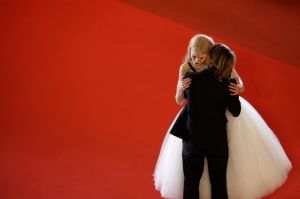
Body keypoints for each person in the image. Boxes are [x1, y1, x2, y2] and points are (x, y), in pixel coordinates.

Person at [153, 36, 292, 199]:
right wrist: (182, 90)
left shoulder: (219, 65)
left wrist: (240, 87)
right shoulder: (185, 68)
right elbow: (179, 100)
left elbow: (237, 80)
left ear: (211, 55)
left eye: (201, 57)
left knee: (217, 171)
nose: (196, 61)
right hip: (195, 118)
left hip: (216, 115)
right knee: (198, 173)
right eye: (193, 56)